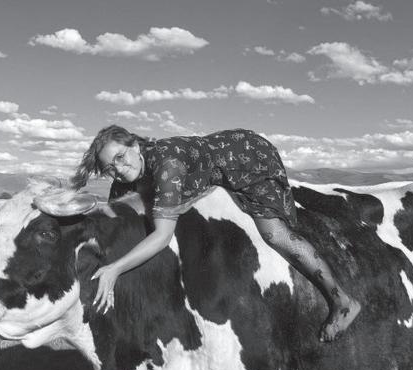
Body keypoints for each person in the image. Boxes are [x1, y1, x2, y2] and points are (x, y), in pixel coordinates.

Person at [71, 125, 360, 342]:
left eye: (121, 157)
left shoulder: (167, 166)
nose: (120, 169)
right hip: (221, 156)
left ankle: (343, 302)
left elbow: (161, 237)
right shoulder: (130, 172)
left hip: (248, 156)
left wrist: (115, 269)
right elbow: (115, 214)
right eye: (110, 167)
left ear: (135, 145)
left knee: (274, 233)